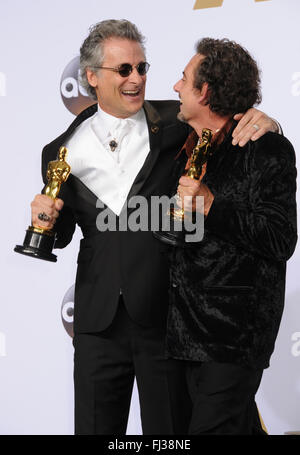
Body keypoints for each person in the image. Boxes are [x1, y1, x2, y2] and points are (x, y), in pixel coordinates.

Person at [30, 20, 280, 435]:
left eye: (142, 68)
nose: (137, 79)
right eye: (124, 69)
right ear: (91, 77)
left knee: (170, 438)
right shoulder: (59, 151)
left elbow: (227, 124)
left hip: (166, 318)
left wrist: (265, 121)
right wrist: (46, 222)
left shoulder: (178, 122)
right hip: (96, 323)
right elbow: (63, 233)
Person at [164, 37, 297, 435]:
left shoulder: (264, 147)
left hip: (232, 339)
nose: (174, 88)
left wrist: (211, 205)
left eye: (183, 79)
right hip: (182, 336)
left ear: (204, 91)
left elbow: (280, 239)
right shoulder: (184, 148)